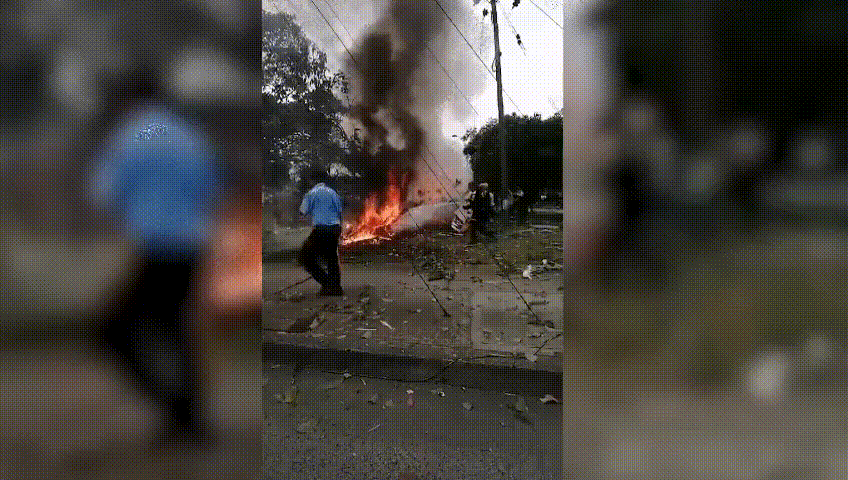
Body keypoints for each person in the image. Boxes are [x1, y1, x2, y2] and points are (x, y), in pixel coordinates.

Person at [92, 98, 223, 448]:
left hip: (155, 247)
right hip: (192, 246)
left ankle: (177, 408)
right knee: (175, 326)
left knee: (110, 328)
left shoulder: (133, 134)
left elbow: (104, 193)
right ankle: (189, 419)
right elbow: (212, 187)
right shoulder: (189, 135)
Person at [298, 167, 344, 296]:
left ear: (314, 180)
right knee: (332, 259)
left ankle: (328, 284)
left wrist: (308, 215)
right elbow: (340, 212)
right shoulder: (332, 192)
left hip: (321, 229)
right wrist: (339, 229)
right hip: (334, 228)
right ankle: (335, 288)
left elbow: (302, 211)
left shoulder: (311, 193)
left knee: (305, 257)